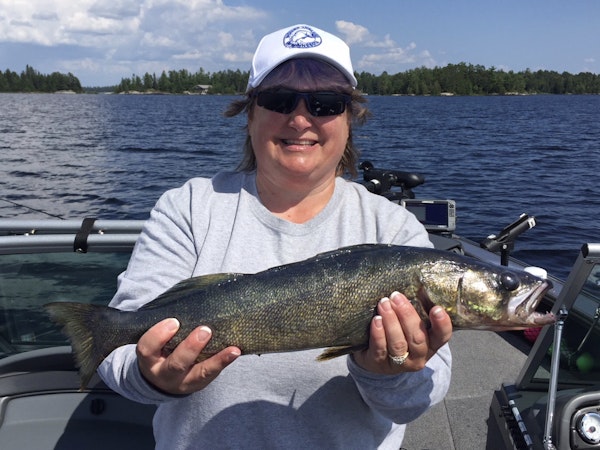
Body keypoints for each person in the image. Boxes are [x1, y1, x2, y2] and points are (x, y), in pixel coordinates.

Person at [98, 24, 452, 449]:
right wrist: (152, 376)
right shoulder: (188, 208)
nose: (300, 119)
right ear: (250, 114)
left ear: (349, 119)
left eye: (325, 103)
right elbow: (114, 353)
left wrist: (388, 375)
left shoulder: (394, 229)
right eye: (279, 100)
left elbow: (420, 397)